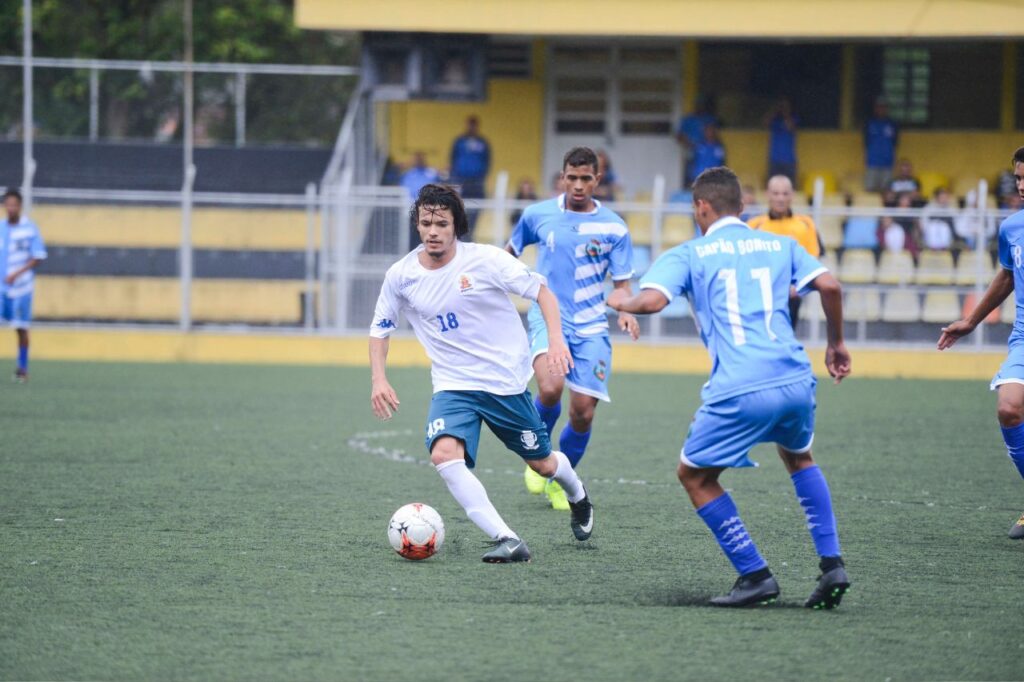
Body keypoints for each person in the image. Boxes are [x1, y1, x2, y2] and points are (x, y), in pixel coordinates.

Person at [608, 166, 853, 609]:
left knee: (695, 476)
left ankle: (755, 574)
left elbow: (652, 301)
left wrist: (618, 300)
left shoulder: (691, 252)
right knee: (799, 456)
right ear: (742, 207)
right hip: (796, 376)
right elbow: (831, 285)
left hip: (739, 384)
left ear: (700, 208)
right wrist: (835, 343)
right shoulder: (783, 244)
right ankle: (832, 563)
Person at [369, 184, 595, 563]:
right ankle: (507, 538)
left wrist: (557, 341)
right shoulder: (400, 275)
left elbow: (542, 292)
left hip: (504, 383)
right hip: (453, 385)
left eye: (442, 223)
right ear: (418, 226)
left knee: (542, 463)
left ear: (456, 225)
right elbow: (380, 329)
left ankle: (577, 494)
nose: (433, 231)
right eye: (426, 223)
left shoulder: (486, 260)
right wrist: (379, 378)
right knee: (443, 455)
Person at [507, 147, 640, 510]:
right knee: (549, 388)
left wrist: (626, 310)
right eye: (572, 178)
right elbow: (508, 255)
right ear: (562, 177)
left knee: (583, 411)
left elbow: (622, 286)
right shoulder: (537, 215)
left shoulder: (615, 226)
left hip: (592, 325)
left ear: (597, 180)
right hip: (547, 318)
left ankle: (560, 480)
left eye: (586, 179)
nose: (578, 185)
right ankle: (539, 452)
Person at [938, 145, 1024, 540]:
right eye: (1018, 178)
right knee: (1009, 409)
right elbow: (1007, 276)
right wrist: (971, 320)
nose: (1021, 186)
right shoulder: (1012, 227)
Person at [748, 175, 822, 328]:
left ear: (792, 195)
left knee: (785, 340)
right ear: (768, 195)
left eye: (785, 193)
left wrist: (797, 287)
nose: (780, 198)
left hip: (791, 296)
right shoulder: (754, 225)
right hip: (759, 296)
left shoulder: (806, 223)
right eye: (775, 193)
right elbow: (746, 262)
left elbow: (812, 259)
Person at [1, 189, 47, 383]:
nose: (11, 208)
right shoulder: (1, 227)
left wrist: (16, 274)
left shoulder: (29, 228)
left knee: (21, 328)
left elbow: (38, 257)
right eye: (8, 204)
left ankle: (22, 368)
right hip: (1, 287)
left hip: (21, 287)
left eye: (14, 204)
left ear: (20, 206)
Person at [449, 116, 491, 238]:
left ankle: (470, 235)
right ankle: (458, 235)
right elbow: (453, 159)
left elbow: (487, 161)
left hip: (477, 182)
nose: (472, 127)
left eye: (474, 124)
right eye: (470, 124)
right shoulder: (459, 141)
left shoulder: (482, 143)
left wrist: (482, 177)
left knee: (475, 210)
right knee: (458, 209)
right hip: (461, 181)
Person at [676, 95, 718, 186]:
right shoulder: (688, 119)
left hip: (706, 148)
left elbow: (714, 132)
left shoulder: (709, 118)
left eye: (702, 105)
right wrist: (689, 144)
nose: (700, 107)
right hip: (690, 148)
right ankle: (689, 187)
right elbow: (679, 135)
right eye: (698, 105)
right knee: (690, 172)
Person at [864, 97, 898, 192]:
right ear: (875, 108)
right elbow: (866, 141)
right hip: (872, 161)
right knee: (870, 188)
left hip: (888, 162)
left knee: (886, 189)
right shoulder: (869, 123)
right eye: (879, 107)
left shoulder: (892, 124)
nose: (881, 109)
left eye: (884, 107)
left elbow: (895, 142)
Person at [765, 97, 798, 182]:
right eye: (781, 106)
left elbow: (791, 127)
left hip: (789, 161)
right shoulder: (775, 120)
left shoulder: (793, 118)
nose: (783, 108)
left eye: (786, 106)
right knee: (773, 185)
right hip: (774, 160)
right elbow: (765, 122)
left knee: (790, 186)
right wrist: (775, 110)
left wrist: (786, 112)